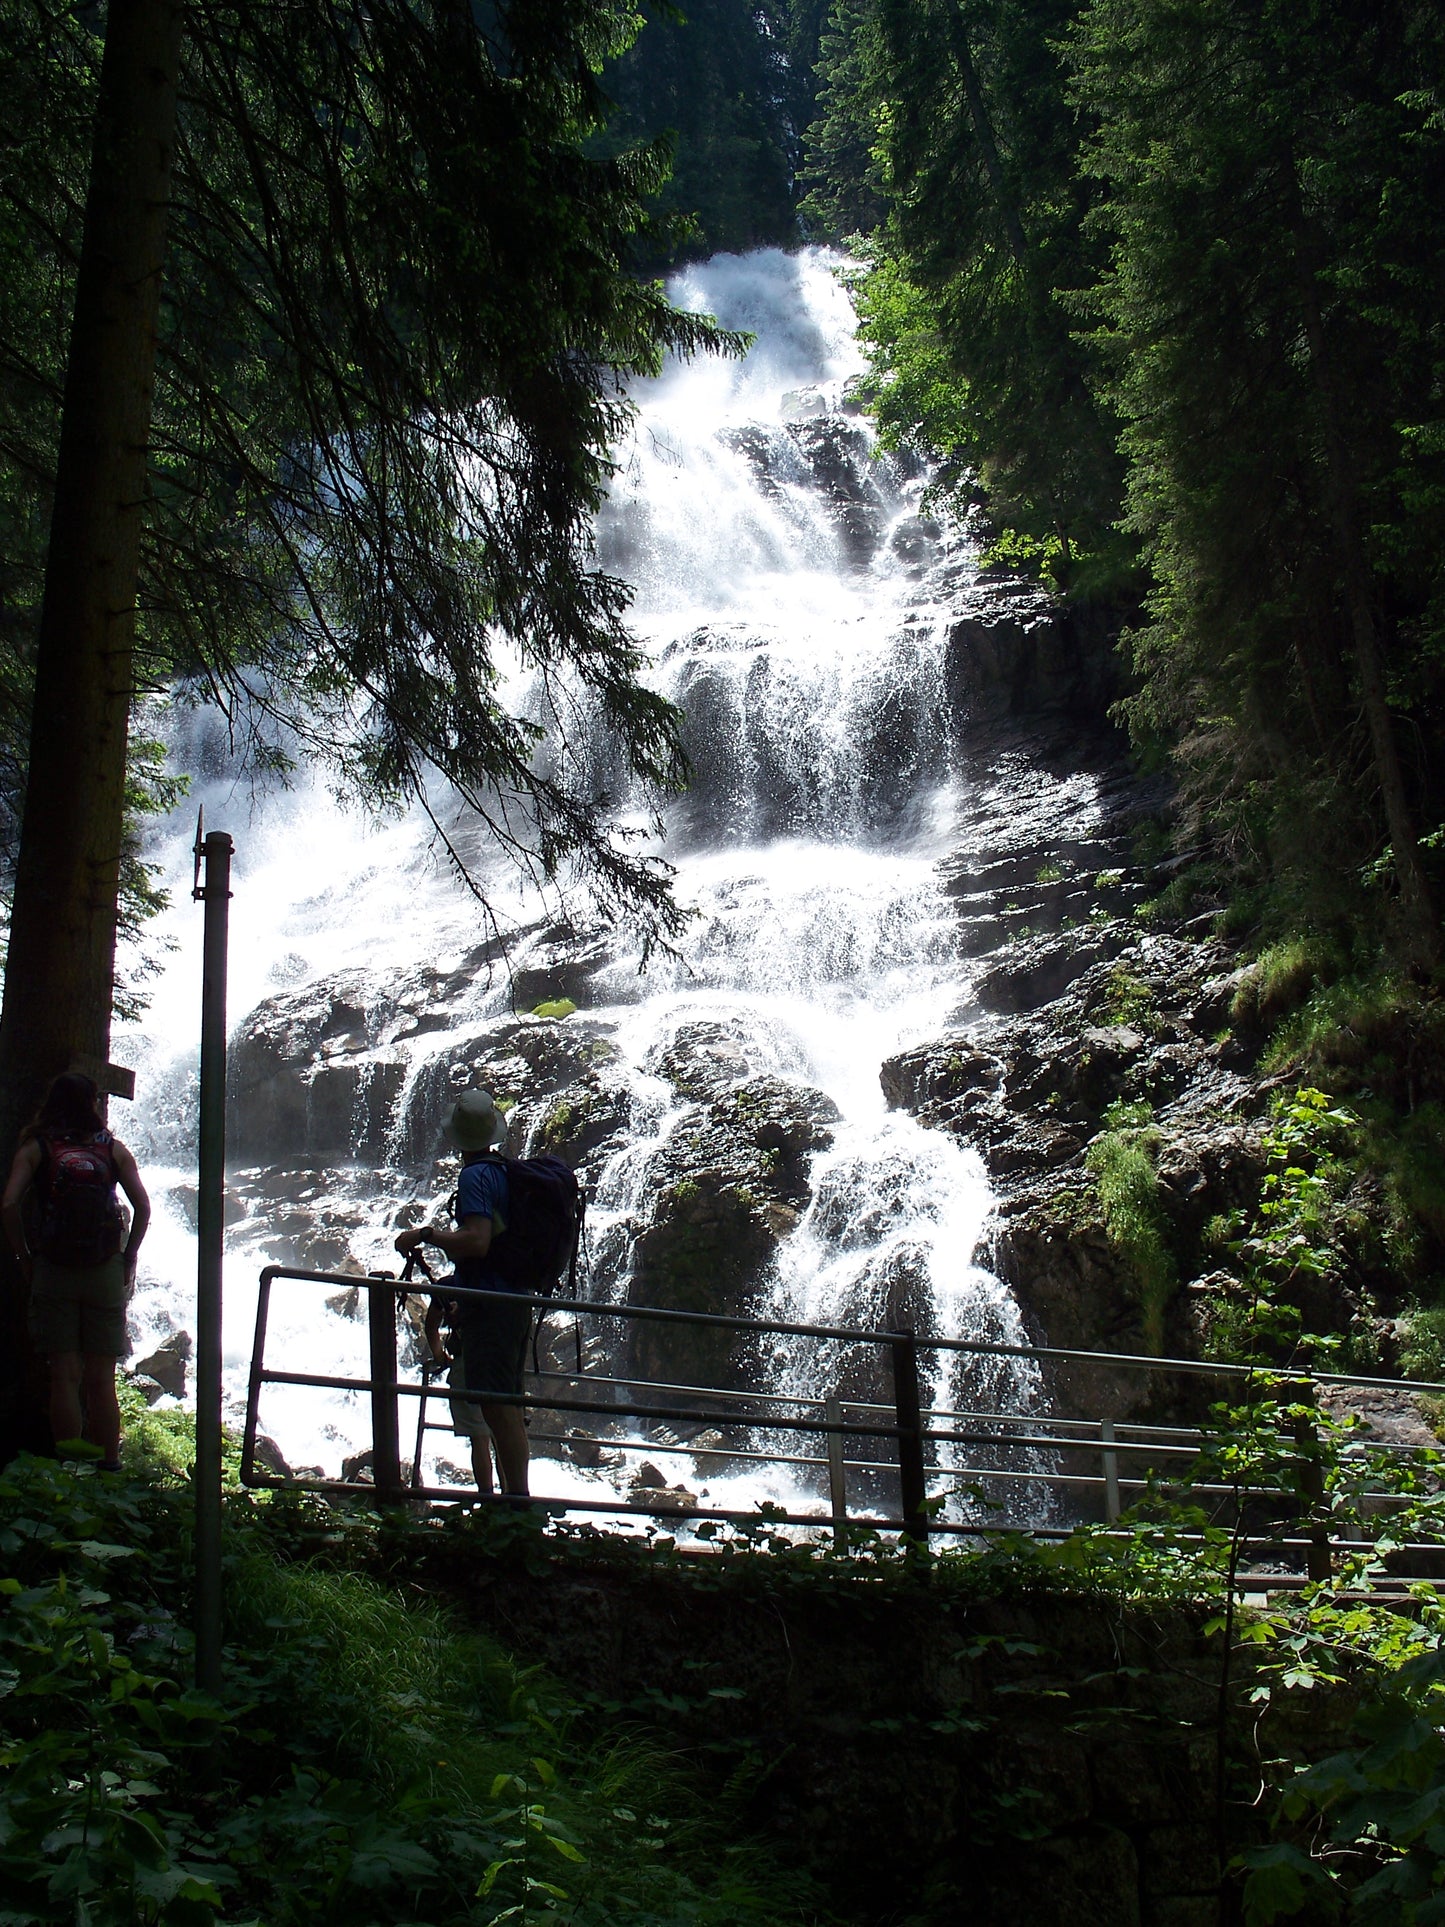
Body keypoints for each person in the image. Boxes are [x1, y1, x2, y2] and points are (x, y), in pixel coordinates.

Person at [2, 1071, 151, 1470]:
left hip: (52, 1269)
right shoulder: (112, 1149)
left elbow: (8, 1204)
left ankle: (71, 1471)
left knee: (65, 1376)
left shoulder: (37, 1148)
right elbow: (143, 1208)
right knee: (101, 1379)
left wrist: (25, 1257)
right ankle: (110, 1467)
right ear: (93, 1104)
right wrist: (129, 1257)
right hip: (105, 1271)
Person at [396, 1087, 530, 1496]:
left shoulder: (475, 1175)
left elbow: (477, 1241)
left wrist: (427, 1234)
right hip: (513, 1298)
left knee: (495, 1404)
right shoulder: (503, 1170)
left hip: (491, 1303)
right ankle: (514, 1502)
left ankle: (516, 1505)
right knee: (504, 1403)